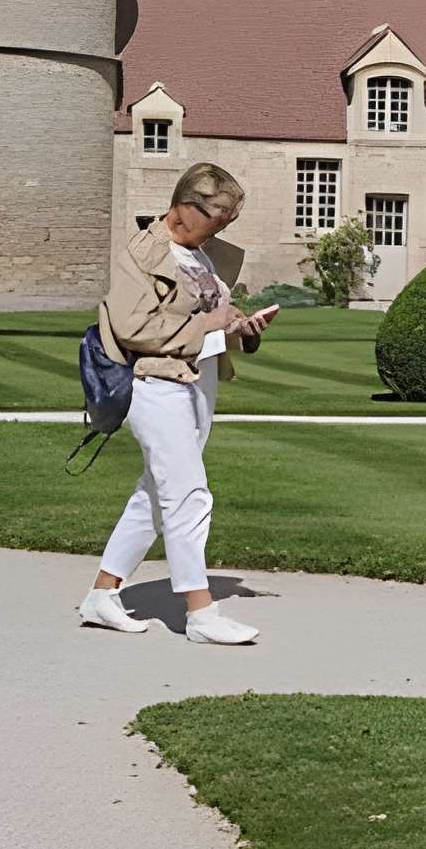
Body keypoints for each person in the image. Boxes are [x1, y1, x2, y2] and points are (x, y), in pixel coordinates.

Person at [79, 162, 274, 645]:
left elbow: (208, 314)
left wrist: (237, 327)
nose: (224, 226)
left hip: (198, 382)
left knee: (156, 493)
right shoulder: (143, 253)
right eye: (219, 216)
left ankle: (102, 596)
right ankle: (201, 613)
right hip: (155, 385)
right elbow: (132, 328)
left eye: (230, 219)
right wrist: (208, 327)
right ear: (187, 208)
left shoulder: (200, 254)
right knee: (189, 494)